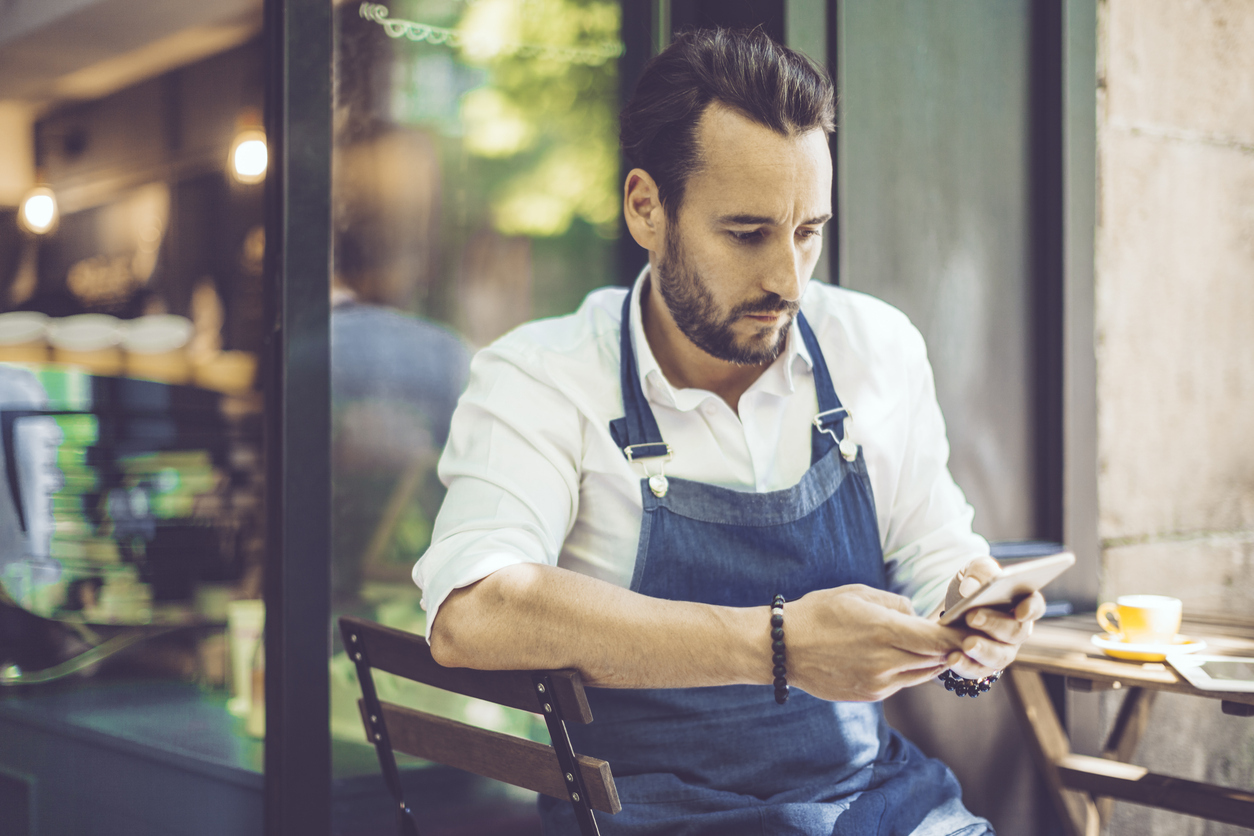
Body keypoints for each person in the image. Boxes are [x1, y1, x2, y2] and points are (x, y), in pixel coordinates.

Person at [414, 28, 1044, 836]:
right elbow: (473, 611)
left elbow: (935, 550)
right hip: (648, 814)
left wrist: (971, 615)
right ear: (647, 207)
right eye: (746, 233)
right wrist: (775, 645)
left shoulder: (876, 347)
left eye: (808, 231)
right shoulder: (541, 376)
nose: (787, 278)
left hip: (873, 802)